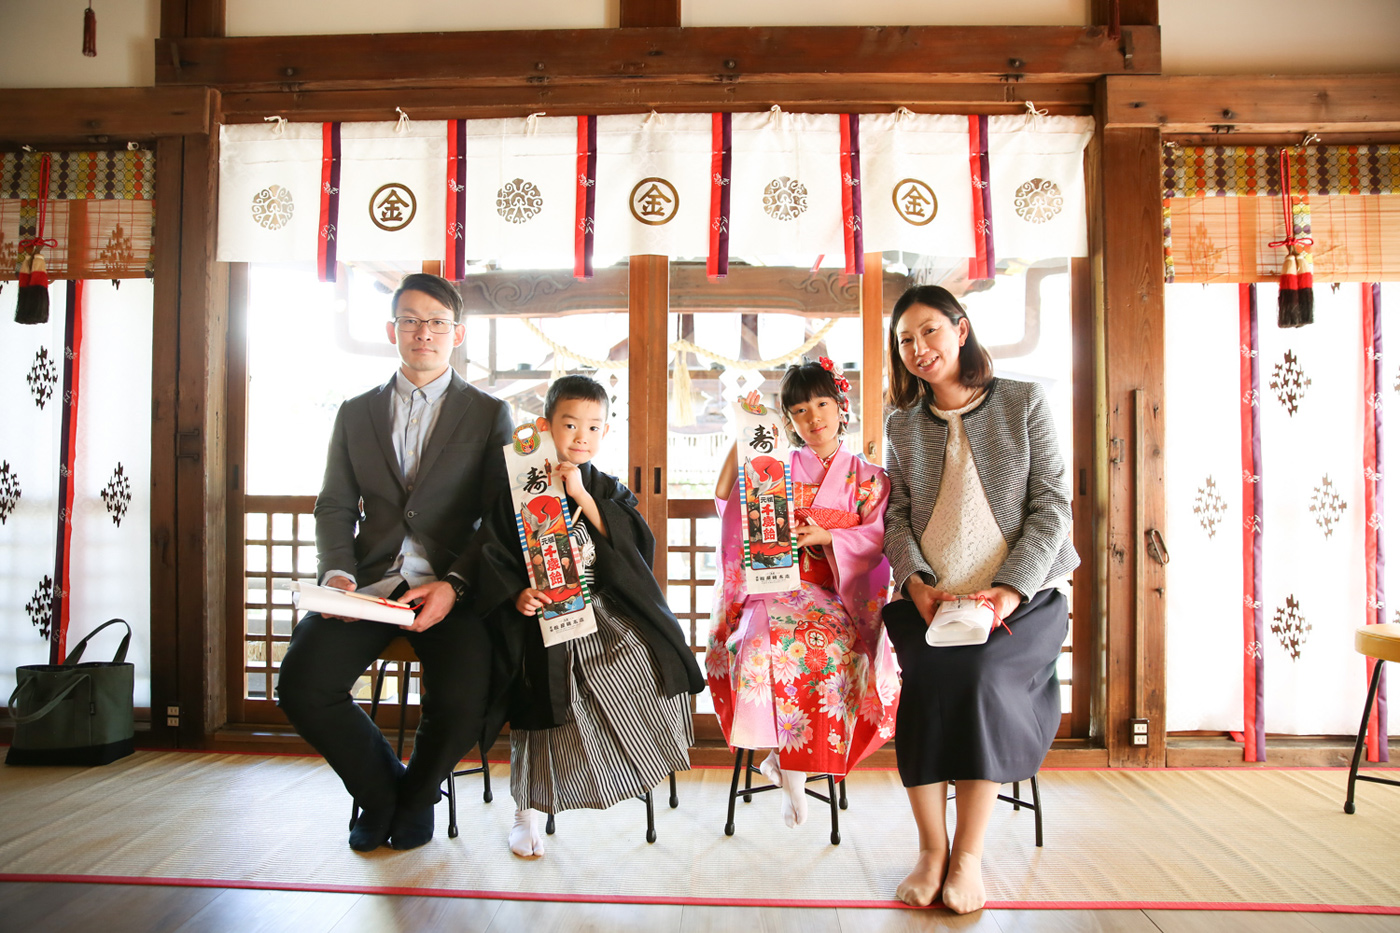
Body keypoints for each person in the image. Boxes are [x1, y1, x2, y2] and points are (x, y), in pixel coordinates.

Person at [276, 273, 514, 853]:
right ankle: (382, 791)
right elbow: (334, 504)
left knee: (463, 697)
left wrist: (454, 585)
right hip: (368, 584)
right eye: (410, 320)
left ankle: (419, 794)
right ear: (392, 330)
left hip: (450, 588)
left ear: (456, 334)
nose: (423, 333)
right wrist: (336, 574)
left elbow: (497, 517)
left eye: (436, 322)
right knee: (302, 684)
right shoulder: (356, 413)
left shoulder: (489, 414)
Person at [881, 284, 1078, 913]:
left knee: (979, 676)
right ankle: (931, 850)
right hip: (931, 603)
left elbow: (1052, 508)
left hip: (1024, 600)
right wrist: (915, 584)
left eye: (929, 331)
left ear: (961, 329)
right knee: (927, 680)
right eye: (905, 339)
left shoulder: (1022, 402)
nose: (918, 348)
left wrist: (1008, 593)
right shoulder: (903, 423)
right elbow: (897, 517)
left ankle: (968, 856)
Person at [468, 375, 704, 858]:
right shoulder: (516, 484)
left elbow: (636, 544)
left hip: (601, 609)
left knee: (646, 657)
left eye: (593, 427)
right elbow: (489, 549)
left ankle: (633, 764)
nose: (581, 437)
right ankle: (526, 809)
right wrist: (517, 594)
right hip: (539, 619)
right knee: (540, 695)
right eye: (570, 424)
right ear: (545, 425)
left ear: (605, 433)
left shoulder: (602, 485)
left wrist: (582, 496)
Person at [707, 360, 899, 828]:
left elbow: (878, 540)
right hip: (772, 590)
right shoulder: (774, 467)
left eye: (821, 404)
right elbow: (727, 505)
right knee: (756, 645)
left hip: (835, 594)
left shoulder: (869, 478)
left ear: (839, 406)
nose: (813, 418)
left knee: (835, 653)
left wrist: (828, 536)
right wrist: (742, 434)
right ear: (787, 421)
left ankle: (792, 763)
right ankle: (780, 757)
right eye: (798, 410)